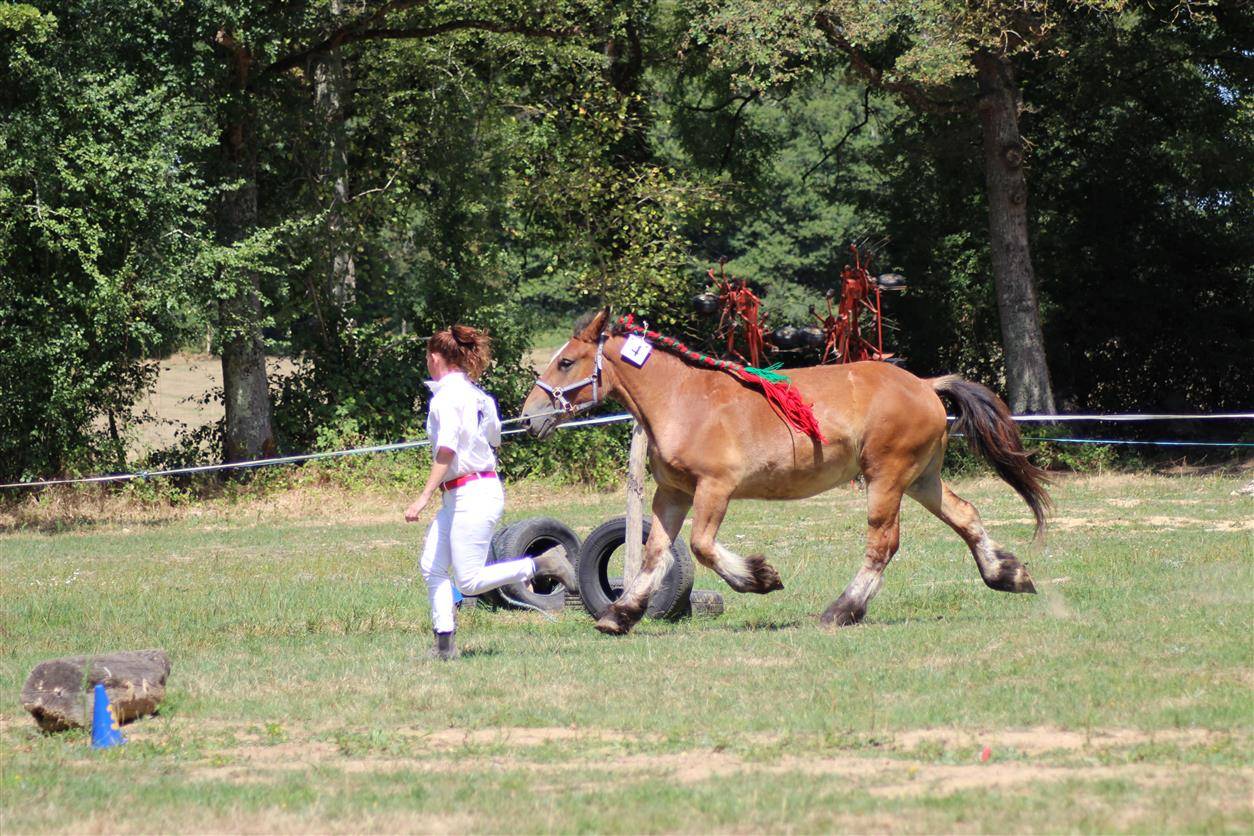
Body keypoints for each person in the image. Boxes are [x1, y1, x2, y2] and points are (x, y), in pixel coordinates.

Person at [405, 325, 577, 660]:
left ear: (435, 357)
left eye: (428, 356)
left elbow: (447, 450)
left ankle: (540, 565)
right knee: (432, 566)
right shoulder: (479, 395)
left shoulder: (446, 398)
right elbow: (495, 440)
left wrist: (423, 495)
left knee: (468, 582)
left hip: (470, 493)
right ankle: (444, 646)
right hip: (469, 490)